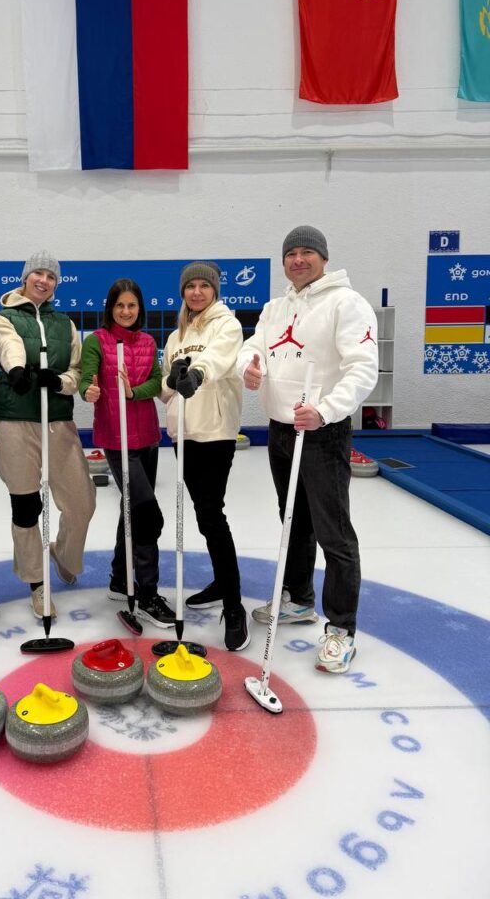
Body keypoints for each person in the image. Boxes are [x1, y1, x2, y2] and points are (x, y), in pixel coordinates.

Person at [237, 225, 378, 673]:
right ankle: (299, 600)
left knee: (333, 531)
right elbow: (252, 348)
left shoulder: (347, 303)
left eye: (307, 252)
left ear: (323, 258)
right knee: (294, 520)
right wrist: (249, 368)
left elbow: (363, 369)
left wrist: (326, 410)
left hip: (322, 431)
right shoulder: (275, 307)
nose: (298, 260)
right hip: (281, 429)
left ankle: (341, 629)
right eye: (291, 253)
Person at [0, 251, 96, 618]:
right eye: (38, 273)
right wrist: (17, 370)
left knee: (82, 501)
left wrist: (61, 381)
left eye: (51, 277)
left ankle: (63, 553)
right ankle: (36, 582)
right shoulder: (3, 316)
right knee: (26, 506)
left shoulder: (64, 324)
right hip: (16, 419)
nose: (44, 281)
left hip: (58, 421)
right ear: (25, 278)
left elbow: (77, 370)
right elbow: (9, 345)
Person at [161, 261, 249, 651]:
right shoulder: (176, 336)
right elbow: (166, 390)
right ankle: (221, 582)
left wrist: (195, 374)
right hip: (183, 434)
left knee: (212, 515)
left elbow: (216, 359)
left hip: (214, 433)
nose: (196, 292)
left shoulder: (227, 325)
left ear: (214, 290)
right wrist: (171, 379)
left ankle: (234, 605)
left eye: (204, 286)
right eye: (190, 286)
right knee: (204, 514)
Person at [79, 278, 173, 627]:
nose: (126, 311)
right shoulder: (97, 341)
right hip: (116, 437)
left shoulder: (148, 342)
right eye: (120, 305)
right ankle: (147, 595)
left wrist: (134, 392)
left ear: (139, 308)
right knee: (146, 513)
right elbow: (88, 379)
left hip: (147, 435)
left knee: (131, 507)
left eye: (131, 305)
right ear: (111, 308)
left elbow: (157, 381)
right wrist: (89, 390)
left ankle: (120, 578)